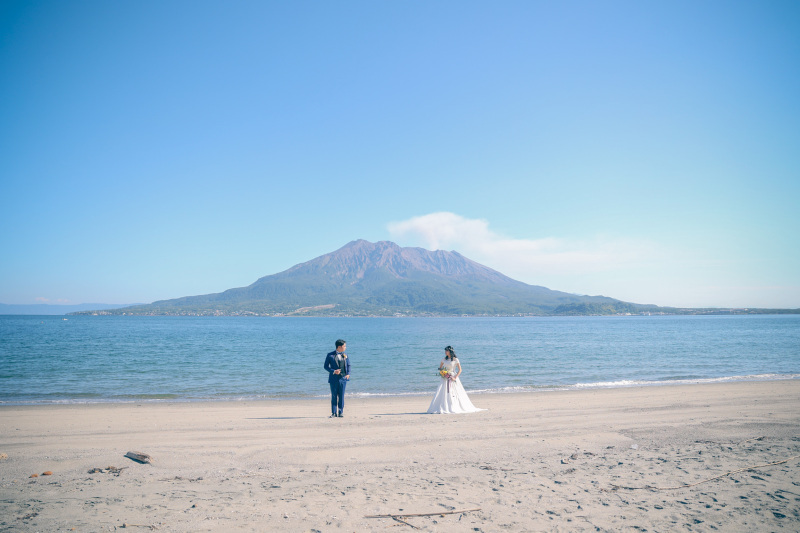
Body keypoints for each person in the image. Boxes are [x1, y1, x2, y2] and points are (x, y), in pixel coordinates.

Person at [426, 345, 483, 414]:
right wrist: (443, 373)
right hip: (445, 378)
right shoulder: (444, 359)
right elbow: (440, 368)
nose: (445, 352)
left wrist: (455, 377)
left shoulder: (456, 360)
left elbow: (460, 370)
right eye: (445, 350)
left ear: (450, 351)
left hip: (452, 377)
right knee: (443, 392)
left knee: (453, 392)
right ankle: (444, 407)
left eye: (446, 350)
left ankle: (453, 406)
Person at [324, 339, 350, 418]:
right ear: (339, 347)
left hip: (343, 378)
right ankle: (334, 413)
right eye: (344, 346)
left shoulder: (345, 355)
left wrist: (348, 374)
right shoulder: (330, 355)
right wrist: (334, 371)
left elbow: (348, 365)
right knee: (334, 396)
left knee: (341, 396)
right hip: (333, 379)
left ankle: (341, 412)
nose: (345, 347)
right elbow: (325, 366)